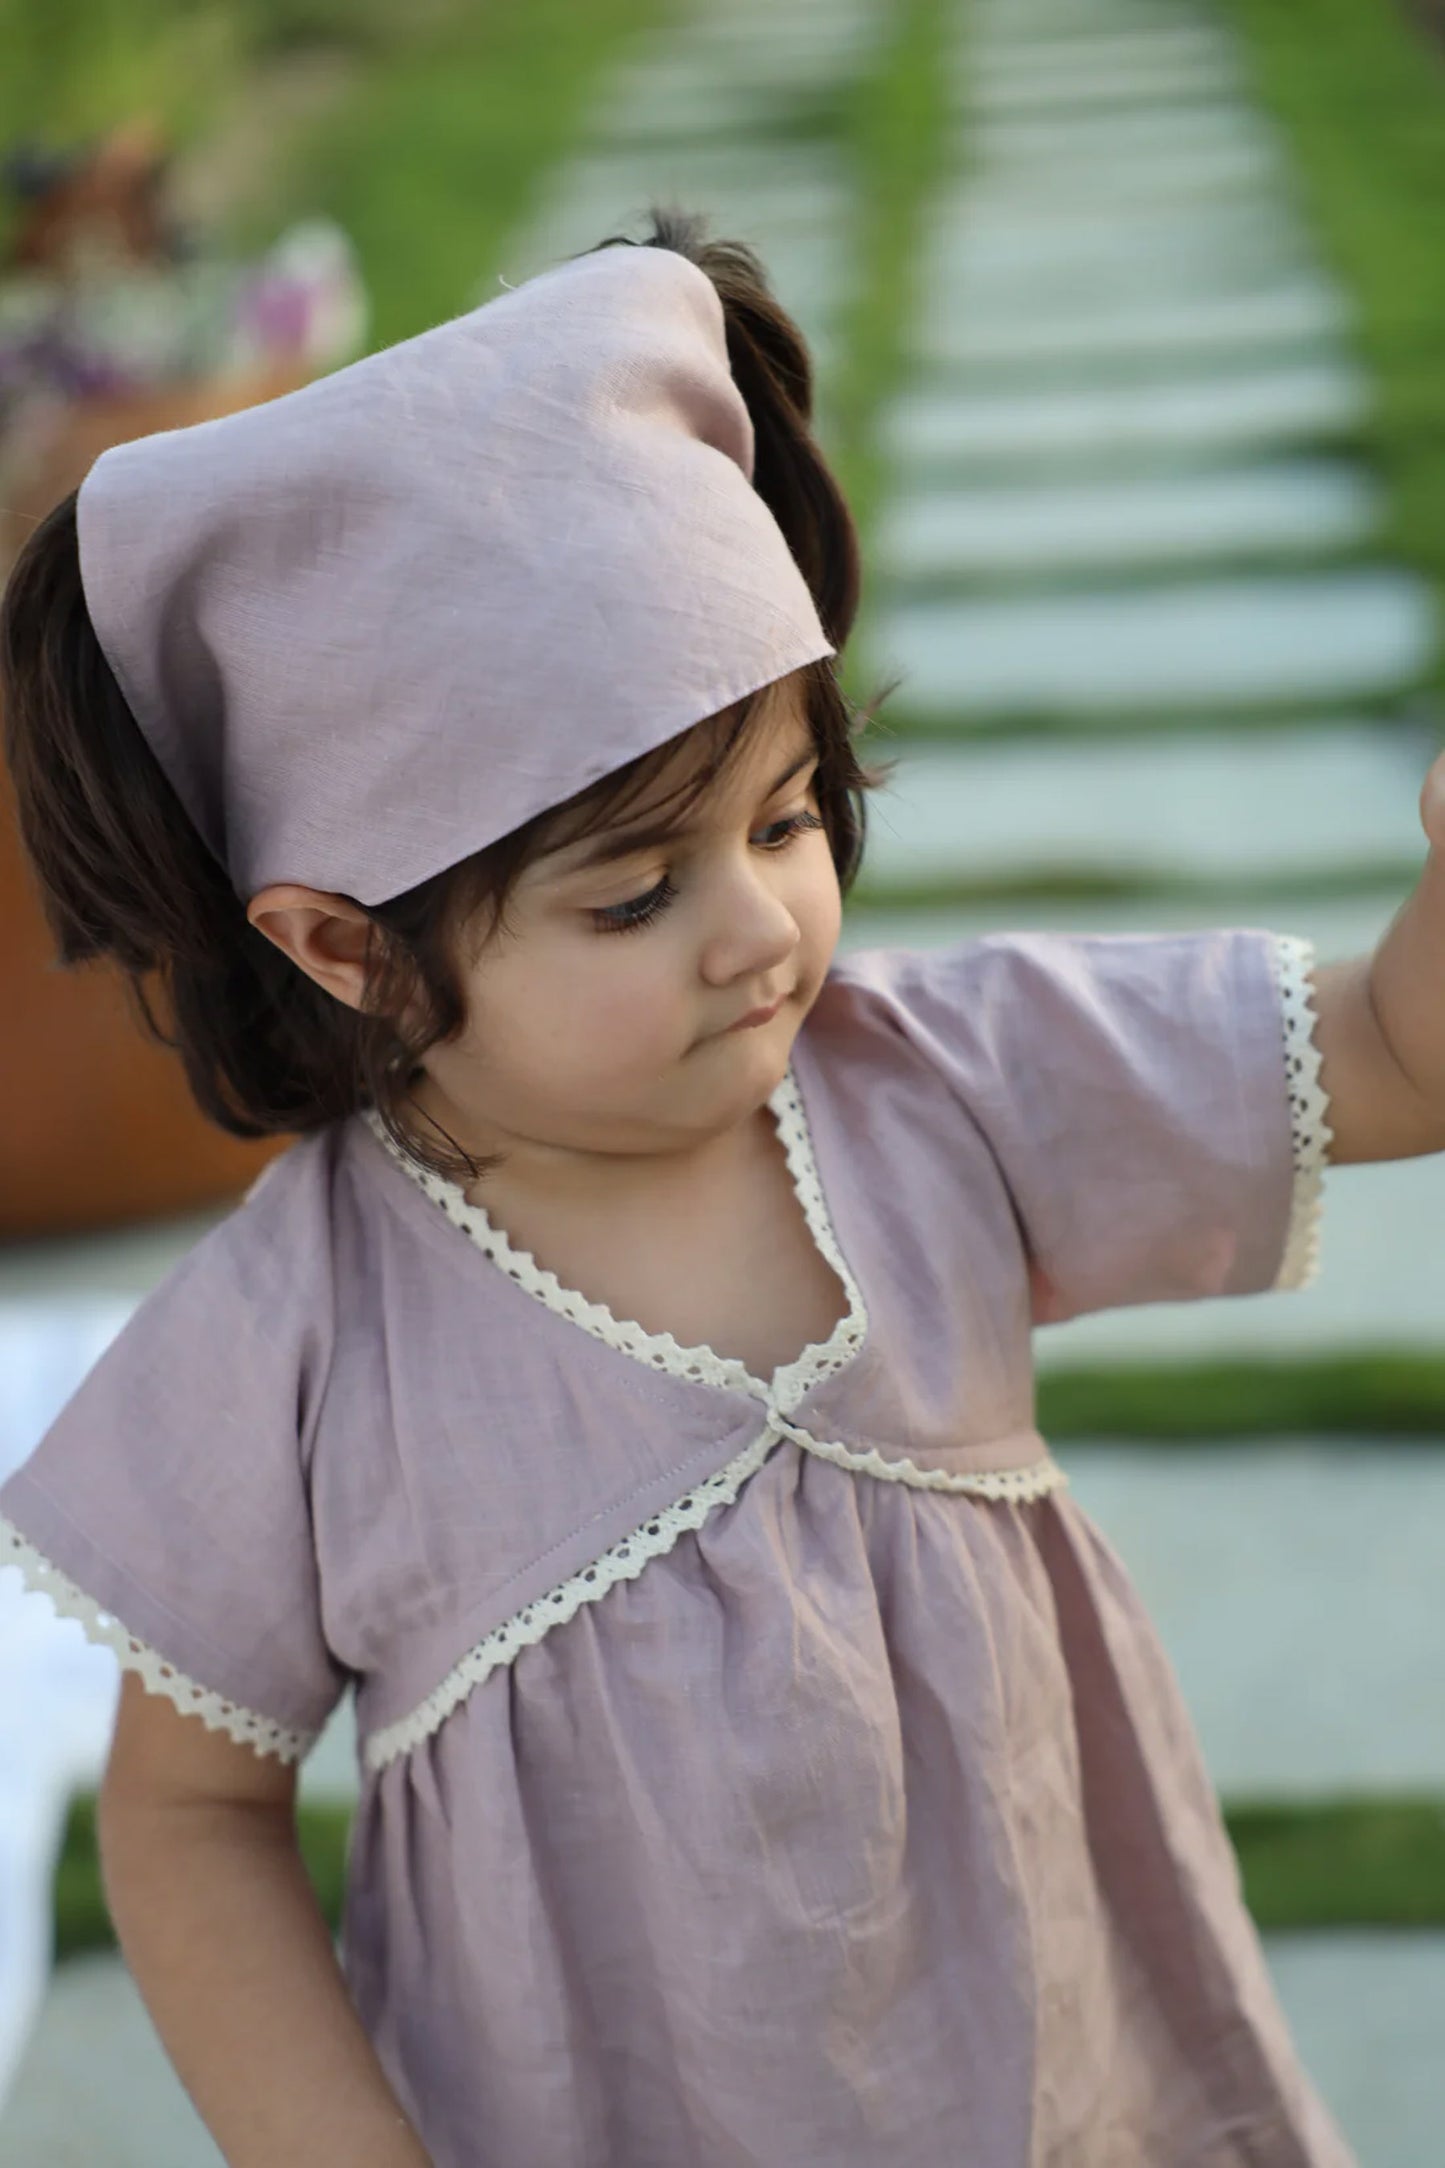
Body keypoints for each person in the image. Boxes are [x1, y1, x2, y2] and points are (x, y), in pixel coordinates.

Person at [1, 203, 1442, 2168]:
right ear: (344, 944)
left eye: (786, 814)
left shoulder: (945, 1087)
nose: (761, 924)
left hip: (1052, 2083)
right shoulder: (306, 1339)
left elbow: (1382, 1054)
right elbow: (184, 1816)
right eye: (634, 890)